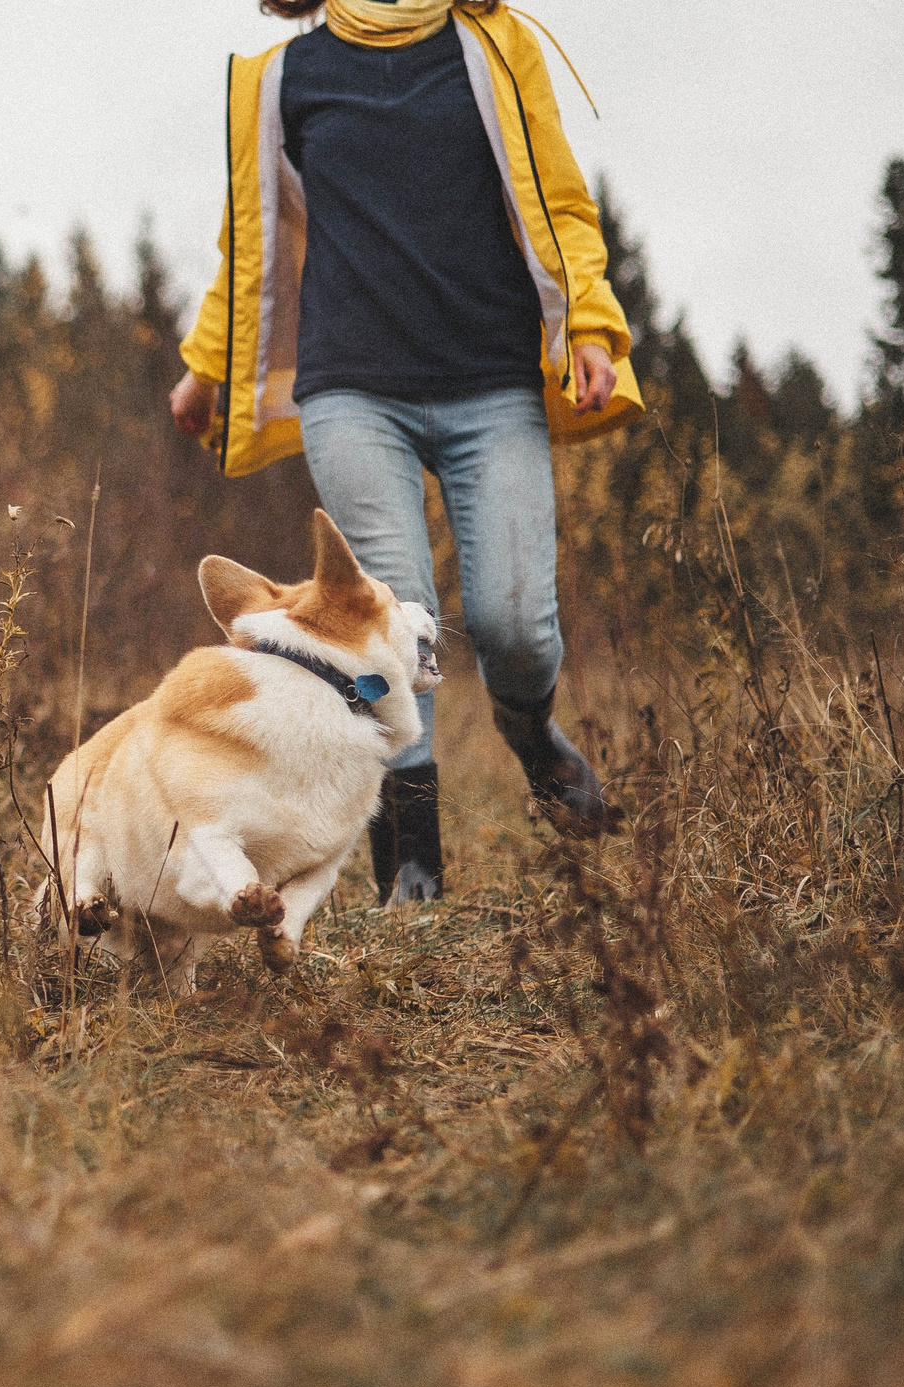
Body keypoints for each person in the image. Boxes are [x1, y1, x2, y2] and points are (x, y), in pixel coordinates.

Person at [169, 0, 637, 904]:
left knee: (513, 621)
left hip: (491, 378)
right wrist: (201, 370)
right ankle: (410, 873)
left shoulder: (494, 48)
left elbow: (561, 201)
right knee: (385, 624)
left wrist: (588, 325)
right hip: (352, 387)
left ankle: (531, 731)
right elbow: (250, 245)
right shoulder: (287, 80)